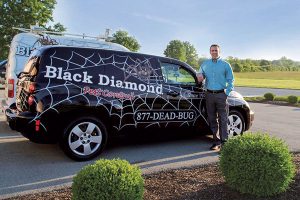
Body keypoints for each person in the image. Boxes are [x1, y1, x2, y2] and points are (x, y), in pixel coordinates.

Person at [197, 44, 234, 151]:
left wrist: (226, 92)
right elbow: (200, 75)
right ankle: (216, 142)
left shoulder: (225, 64)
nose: (214, 52)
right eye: (212, 50)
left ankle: (224, 142)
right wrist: (200, 77)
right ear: (210, 52)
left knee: (223, 118)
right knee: (212, 119)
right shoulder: (205, 64)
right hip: (209, 95)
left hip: (221, 95)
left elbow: (230, 80)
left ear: (219, 51)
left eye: (216, 50)